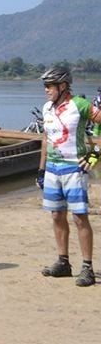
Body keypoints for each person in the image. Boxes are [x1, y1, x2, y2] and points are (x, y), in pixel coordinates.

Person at [38, 66, 101, 286]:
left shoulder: (80, 105)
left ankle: (87, 268)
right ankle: (63, 262)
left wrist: (95, 155)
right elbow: (45, 139)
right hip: (53, 170)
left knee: (79, 217)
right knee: (56, 216)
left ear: (63, 86)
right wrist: (41, 169)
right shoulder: (47, 108)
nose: (46, 90)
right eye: (45, 86)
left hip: (75, 168)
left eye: (49, 86)